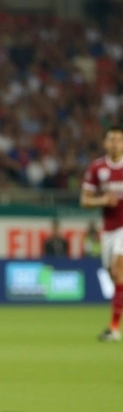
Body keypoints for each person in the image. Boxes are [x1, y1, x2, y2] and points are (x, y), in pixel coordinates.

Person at [81, 126, 123, 342]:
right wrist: (102, 200)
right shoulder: (98, 168)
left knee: (118, 271)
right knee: (112, 275)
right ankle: (115, 323)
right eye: (112, 139)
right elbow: (85, 200)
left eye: (119, 139)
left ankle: (114, 328)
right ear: (106, 143)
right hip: (108, 229)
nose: (115, 143)